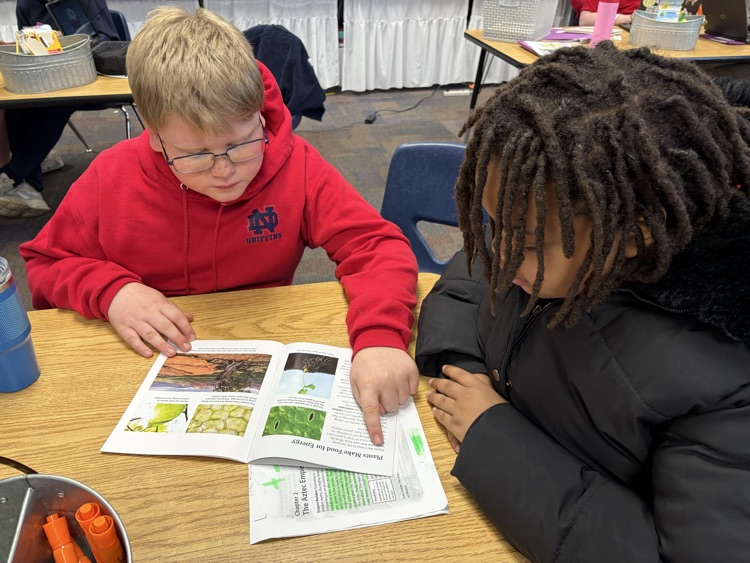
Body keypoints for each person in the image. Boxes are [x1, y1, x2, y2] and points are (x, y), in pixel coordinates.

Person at [20, 6, 419, 446]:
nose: (224, 171)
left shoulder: (298, 165)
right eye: (195, 154)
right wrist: (113, 292)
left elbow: (376, 246)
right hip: (143, 357)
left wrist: (381, 337)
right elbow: (45, 263)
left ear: (259, 114)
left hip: (263, 341)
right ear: (153, 133)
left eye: (241, 144)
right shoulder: (110, 176)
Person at [416, 43, 750, 561]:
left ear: (634, 235)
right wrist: (463, 370)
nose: (500, 253)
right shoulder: (540, 237)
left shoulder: (722, 383)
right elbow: (470, 271)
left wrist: (494, 436)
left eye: (528, 243)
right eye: (493, 223)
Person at [0, 0, 120, 217]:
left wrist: (67, 42)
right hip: (46, 76)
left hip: (88, 76)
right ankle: (28, 181)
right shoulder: (26, 4)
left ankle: (15, 175)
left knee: (56, 103)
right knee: (18, 104)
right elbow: (25, 47)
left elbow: (110, 40)